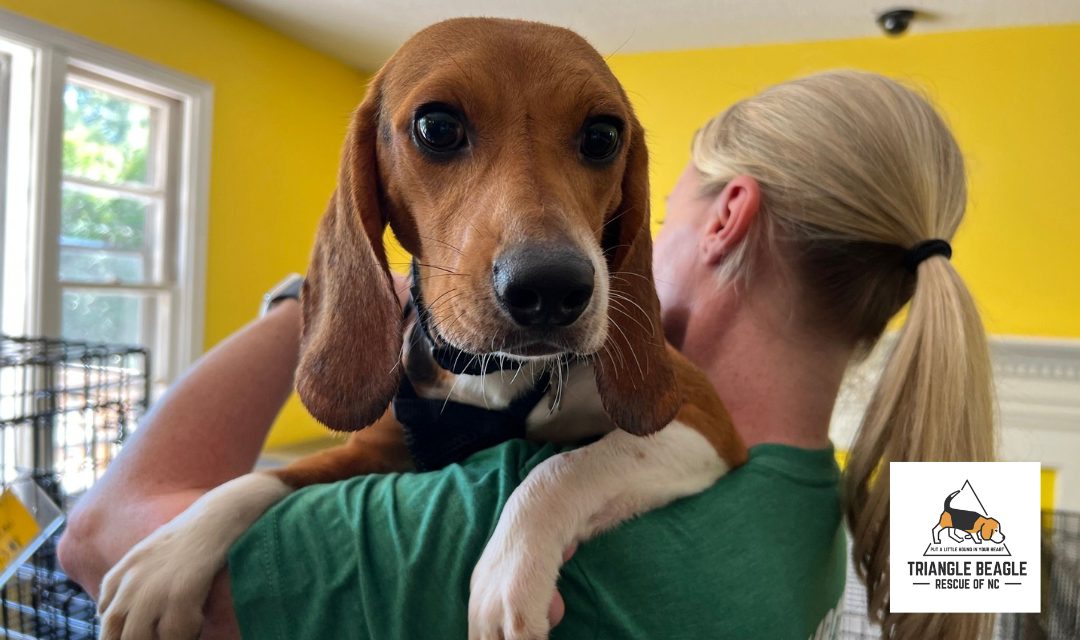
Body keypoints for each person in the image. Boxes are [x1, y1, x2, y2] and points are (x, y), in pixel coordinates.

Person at [58, 70, 994, 639]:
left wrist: (316, 303)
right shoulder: (823, 496)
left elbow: (102, 542)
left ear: (727, 219)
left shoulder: (516, 516)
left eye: (652, 214)